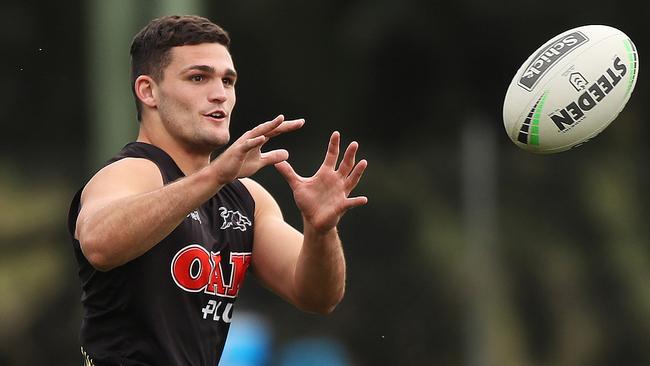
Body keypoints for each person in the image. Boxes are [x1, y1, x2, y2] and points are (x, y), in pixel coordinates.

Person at [67, 15, 368, 365]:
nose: (219, 94)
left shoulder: (246, 199)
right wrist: (214, 177)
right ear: (148, 91)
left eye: (228, 80)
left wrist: (320, 230)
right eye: (198, 78)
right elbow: (99, 244)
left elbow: (319, 296)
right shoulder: (132, 172)